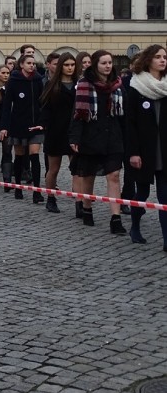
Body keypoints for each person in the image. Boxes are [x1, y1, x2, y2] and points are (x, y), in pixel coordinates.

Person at [69, 50, 127, 234]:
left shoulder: (118, 85)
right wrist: (74, 138)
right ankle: (87, 208)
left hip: (113, 136)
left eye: (110, 62)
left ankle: (115, 218)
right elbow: (77, 114)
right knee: (88, 175)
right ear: (96, 65)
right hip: (90, 135)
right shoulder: (84, 85)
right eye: (104, 63)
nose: (108, 66)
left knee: (114, 175)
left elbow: (125, 113)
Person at [124, 44, 167, 249]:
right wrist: (133, 152)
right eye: (158, 57)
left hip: (164, 149)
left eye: (164, 57)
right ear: (149, 60)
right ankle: (135, 226)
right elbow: (130, 123)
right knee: (141, 194)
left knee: (165, 197)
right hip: (143, 150)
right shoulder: (136, 86)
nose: (162, 60)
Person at [0, 53, 45, 203]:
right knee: (19, 156)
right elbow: (7, 106)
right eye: (29, 63)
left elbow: (43, 102)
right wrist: (4, 126)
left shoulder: (38, 80)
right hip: (18, 124)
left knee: (34, 155)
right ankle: (18, 186)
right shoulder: (14, 81)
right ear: (22, 65)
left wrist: (43, 122)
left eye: (33, 63)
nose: (32, 65)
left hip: (35, 124)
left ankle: (37, 191)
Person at [39, 53, 78, 213]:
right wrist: (43, 125)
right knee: (53, 169)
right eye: (67, 65)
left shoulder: (79, 84)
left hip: (74, 132)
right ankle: (51, 198)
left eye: (72, 65)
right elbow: (45, 108)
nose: (70, 68)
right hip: (55, 131)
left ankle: (79, 202)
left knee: (77, 169)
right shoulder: (51, 85)